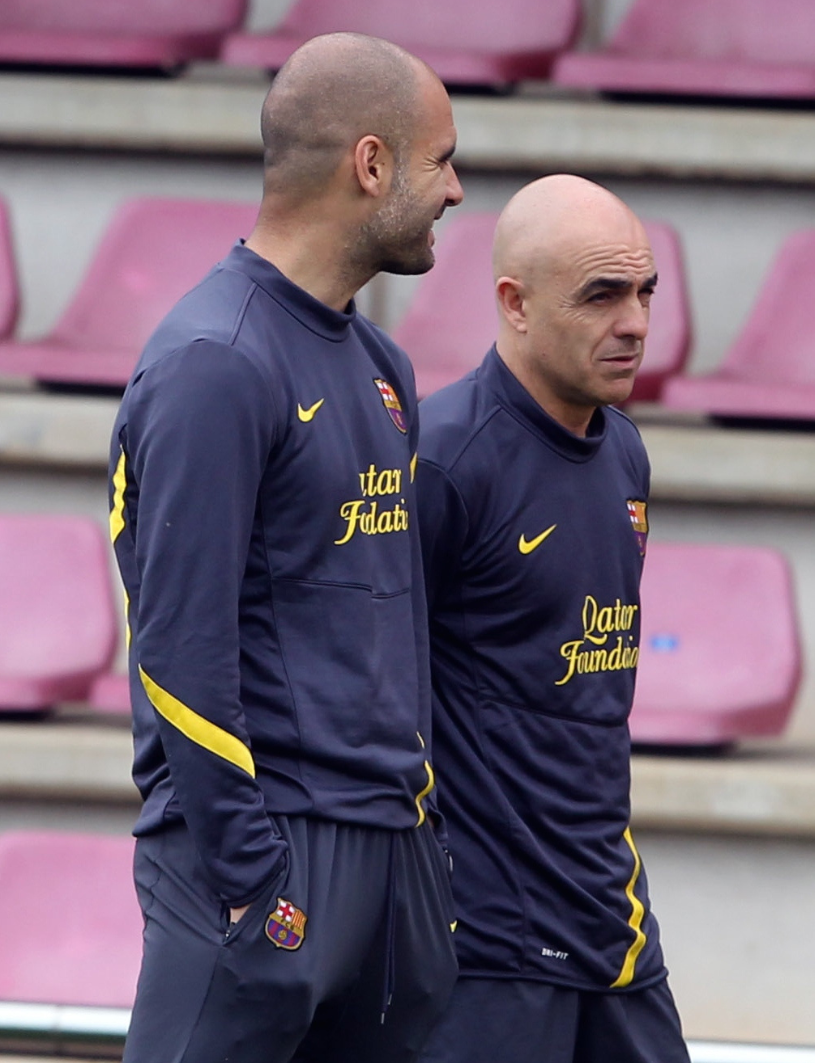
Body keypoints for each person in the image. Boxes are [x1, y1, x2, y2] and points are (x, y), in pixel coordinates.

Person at [110, 31, 465, 1063]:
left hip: (389, 860)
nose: (453, 190)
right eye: (441, 159)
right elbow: (179, 652)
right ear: (370, 164)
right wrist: (256, 878)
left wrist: (419, 848)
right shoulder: (213, 363)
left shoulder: (382, 364)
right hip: (263, 854)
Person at [415, 175, 689, 1063]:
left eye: (646, 291)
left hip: (612, 919)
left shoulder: (625, 451)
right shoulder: (442, 460)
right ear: (515, 303)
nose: (637, 322)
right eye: (602, 295)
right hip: (487, 945)